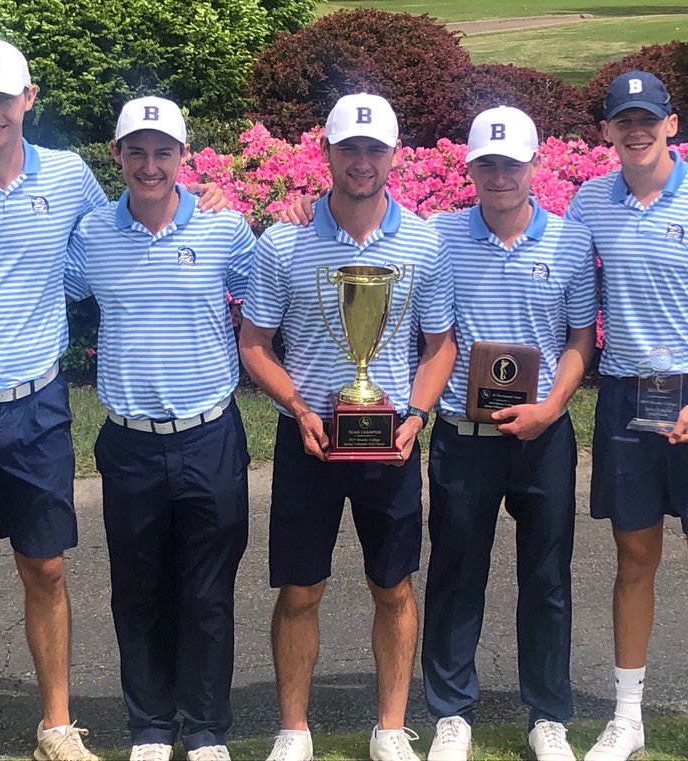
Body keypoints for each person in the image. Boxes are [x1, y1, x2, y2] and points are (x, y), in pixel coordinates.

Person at [0, 38, 222, 761]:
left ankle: (56, 724)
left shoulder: (66, 178)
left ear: (29, 100)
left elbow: (126, 221)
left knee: (47, 565)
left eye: (6, 98)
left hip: (36, 402)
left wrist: (203, 200)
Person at [237, 92, 457, 761]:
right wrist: (300, 408)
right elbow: (253, 342)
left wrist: (416, 415)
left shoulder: (424, 240)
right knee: (302, 586)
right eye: (349, 147)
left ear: (394, 154)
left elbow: (440, 343)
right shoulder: (285, 242)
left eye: (375, 148)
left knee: (391, 584)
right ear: (326, 151)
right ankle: (294, 729)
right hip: (308, 437)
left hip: (388, 437)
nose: (362, 161)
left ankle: (390, 726)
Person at [565, 72, 688, 761]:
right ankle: (627, 716)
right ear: (609, 131)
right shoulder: (590, 201)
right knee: (634, 556)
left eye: (649, 118)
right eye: (624, 120)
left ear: (672, 125)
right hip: (627, 392)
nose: (637, 130)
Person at [63, 96, 255, 761]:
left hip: (209, 433)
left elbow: (273, 293)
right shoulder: (90, 236)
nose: (150, 165)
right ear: (117, 155)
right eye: (136, 151)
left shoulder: (227, 232)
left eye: (163, 151)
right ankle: (150, 726)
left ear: (183, 157)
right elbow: (41, 284)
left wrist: (295, 226)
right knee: (138, 590)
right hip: (130, 440)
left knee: (207, 593)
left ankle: (204, 729)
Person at [419, 107, 596, 761]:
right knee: (457, 571)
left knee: (546, 577)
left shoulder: (570, 242)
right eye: (487, 164)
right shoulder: (438, 236)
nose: (500, 176)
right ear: (470, 168)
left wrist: (550, 405)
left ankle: (547, 713)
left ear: (534, 166)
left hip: (542, 434)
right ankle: (452, 711)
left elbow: (580, 338)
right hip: (464, 434)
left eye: (512, 163)